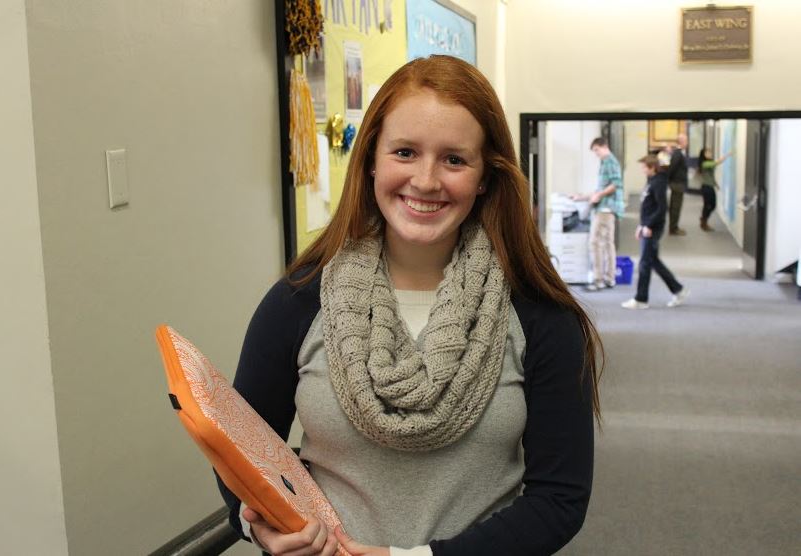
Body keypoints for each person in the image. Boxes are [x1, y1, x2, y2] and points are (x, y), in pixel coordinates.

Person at [218, 55, 603, 556]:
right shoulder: (298, 300)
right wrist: (262, 527)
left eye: (454, 160)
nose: (425, 180)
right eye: (404, 152)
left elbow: (559, 499)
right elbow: (240, 456)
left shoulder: (540, 315)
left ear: (485, 175)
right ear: (372, 159)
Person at [622, 155, 690, 310]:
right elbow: (648, 206)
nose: (642, 170)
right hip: (647, 226)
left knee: (645, 264)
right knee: (652, 262)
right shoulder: (652, 181)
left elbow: (661, 208)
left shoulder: (659, 183)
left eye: (644, 167)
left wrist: (648, 226)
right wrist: (641, 225)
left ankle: (641, 299)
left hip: (653, 228)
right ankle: (678, 289)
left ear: (652, 167)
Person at [572, 137, 624, 292]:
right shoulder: (606, 162)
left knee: (595, 243)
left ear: (604, 146)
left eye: (596, 150)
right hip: (607, 208)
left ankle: (598, 280)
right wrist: (582, 196)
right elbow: (602, 187)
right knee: (608, 243)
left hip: (605, 210)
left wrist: (598, 196)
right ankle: (609, 278)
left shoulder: (610, 161)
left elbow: (616, 184)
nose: (596, 154)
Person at [697, 147, 733, 232]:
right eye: (708, 152)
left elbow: (711, 175)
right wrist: (727, 155)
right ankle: (704, 222)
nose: (710, 154)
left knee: (712, 205)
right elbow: (717, 163)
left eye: (710, 152)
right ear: (704, 154)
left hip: (710, 186)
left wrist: (715, 184)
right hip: (706, 187)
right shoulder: (704, 163)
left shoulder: (709, 162)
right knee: (708, 205)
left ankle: (703, 219)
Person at [666, 133, 689, 236]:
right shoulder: (678, 154)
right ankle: (673, 228)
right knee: (675, 207)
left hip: (678, 183)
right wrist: (669, 181)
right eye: (686, 141)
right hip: (677, 184)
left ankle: (674, 227)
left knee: (675, 206)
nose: (687, 143)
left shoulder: (678, 153)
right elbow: (672, 168)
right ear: (681, 142)